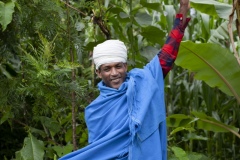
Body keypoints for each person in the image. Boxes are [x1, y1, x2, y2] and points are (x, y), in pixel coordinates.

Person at [59, 0, 190, 159]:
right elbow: (99, 152)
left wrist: (182, 10)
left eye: (118, 66)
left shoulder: (142, 83)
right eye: (107, 69)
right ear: (99, 73)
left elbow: (166, 57)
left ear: (126, 66)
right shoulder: (94, 111)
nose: (114, 73)